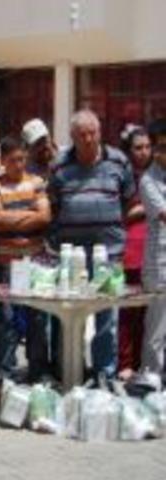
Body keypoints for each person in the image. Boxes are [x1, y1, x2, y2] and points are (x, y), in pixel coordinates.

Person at [48, 109, 136, 379]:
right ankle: (68, 371)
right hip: (70, 254)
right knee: (69, 314)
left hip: (109, 254)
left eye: (92, 133)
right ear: (72, 137)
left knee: (106, 316)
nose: (88, 139)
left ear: (100, 133)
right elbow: (53, 204)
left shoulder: (119, 161)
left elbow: (128, 201)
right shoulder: (60, 165)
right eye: (81, 134)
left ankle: (103, 374)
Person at [0, 137, 52, 381]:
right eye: (13, 160)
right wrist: (29, 214)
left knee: (37, 318)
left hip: (35, 263)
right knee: (6, 319)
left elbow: (45, 217)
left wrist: (10, 215)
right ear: (3, 161)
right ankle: (4, 372)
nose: (19, 164)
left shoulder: (37, 183)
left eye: (22, 159)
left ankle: (37, 371)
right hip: (5, 264)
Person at [118, 125, 153, 376]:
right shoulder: (123, 176)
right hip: (130, 250)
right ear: (129, 151)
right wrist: (146, 209)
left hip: (154, 254)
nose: (143, 152)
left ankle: (146, 365)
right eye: (137, 148)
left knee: (150, 314)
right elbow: (119, 213)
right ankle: (125, 364)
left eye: (147, 147)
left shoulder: (158, 175)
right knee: (128, 313)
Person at [139, 118, 166, 375]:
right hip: (160, 266)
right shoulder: (148, 180)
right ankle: (150, 382)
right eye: (159, 147)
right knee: (157, 331)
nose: (162, 153)